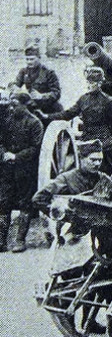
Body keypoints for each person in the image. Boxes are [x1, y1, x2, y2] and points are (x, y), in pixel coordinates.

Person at [47, 68, 112, 173]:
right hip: (87, 140)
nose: (89, 85)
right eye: (88, 82)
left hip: (104, 143)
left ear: (100, 83)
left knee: (104, 173)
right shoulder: (83, 99)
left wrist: (110, 142)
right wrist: (48, 117)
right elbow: (68, 114)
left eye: (93, 82)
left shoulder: (108, 102)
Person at [0, 91, 45, 252]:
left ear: (25, 105)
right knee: (3, 202)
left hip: (25, 169)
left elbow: (36, 148)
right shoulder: (7, 121)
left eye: (15, 105)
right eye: (11, 105)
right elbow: (1, 141)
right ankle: (2, 241)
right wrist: (4, 153)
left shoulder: (35, 123)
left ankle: (20, 240)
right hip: (7, 169)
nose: (12, 108)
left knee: (25, 203)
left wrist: (16, 156)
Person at [31, 140, 112, 217]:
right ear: (81, 159)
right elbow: (38, 199)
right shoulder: (66, 178)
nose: (97, 163)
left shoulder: (104, 179)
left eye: (100, 160)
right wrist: (61, 213)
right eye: (93, 159)